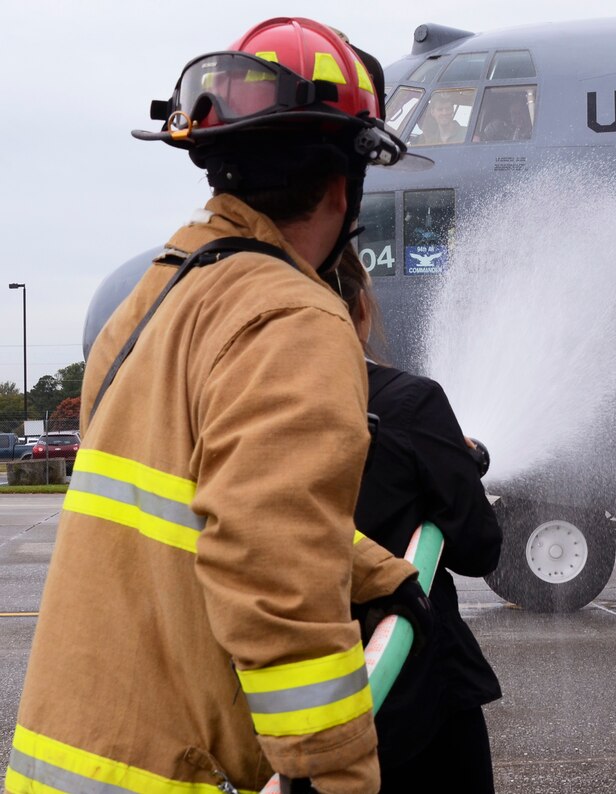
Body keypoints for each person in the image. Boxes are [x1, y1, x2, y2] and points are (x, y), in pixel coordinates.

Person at [5, 18, 430, 794]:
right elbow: (272, 565)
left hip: (66, 761)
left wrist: (372, 571)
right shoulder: (292, 316)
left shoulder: (158, 297)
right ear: (343, 186)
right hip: (168, 772)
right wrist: (334, 775)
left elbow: (205, 501)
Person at [327, 250, 503, 792]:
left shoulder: (243, 406)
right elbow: (479, 550)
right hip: (414, 679)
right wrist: (456, 468)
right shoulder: (409, 401)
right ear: (360, 309)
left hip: (296, 688)